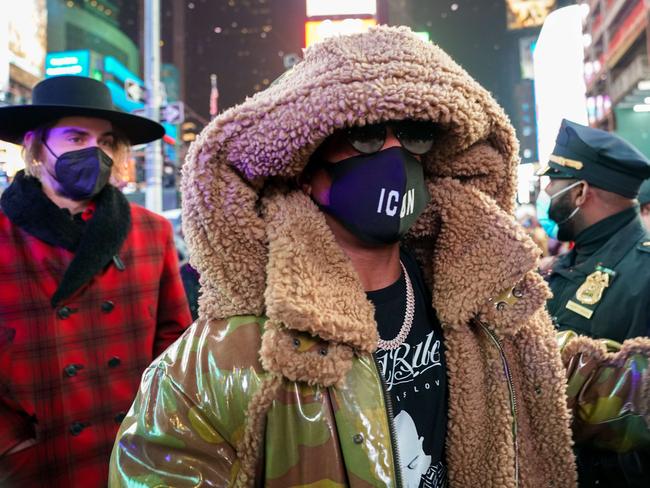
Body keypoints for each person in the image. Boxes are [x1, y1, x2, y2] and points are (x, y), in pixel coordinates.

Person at [110, 26, 576, 487]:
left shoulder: (483, 311)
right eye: (366, 134)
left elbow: (556, 374)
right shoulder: (222, 361)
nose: (394, 153)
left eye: (413, 134)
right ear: (304, 171)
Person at [0, 75, 192, 487]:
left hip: (133, 451)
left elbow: (173, 342)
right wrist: (9, 442)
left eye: (105, 140)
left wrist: (161, 424)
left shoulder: (151, 231)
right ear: (35, 144)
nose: (95, 151)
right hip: (39, 460)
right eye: (75, 137)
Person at [539, 119, 650, 487]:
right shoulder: (565, 264)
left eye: (553, 182)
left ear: (580, 191)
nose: (548, 192)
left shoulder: (644, 270)